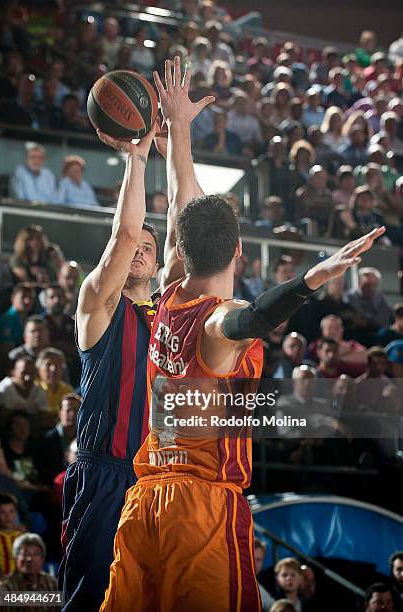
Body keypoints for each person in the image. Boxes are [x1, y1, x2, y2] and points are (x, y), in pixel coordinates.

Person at [101, 55, 385, 612]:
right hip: (200, 510)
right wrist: (309, 279)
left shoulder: (170, 291)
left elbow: (188, 206)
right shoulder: (215, 318)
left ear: (180, 250)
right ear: (238, 251)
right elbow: (249, 319)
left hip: (145, 504)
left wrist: (178, 132)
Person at [59, 71, 211, 610]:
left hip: (166, 482)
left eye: (153, 244)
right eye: (135, 244)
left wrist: (182, 135)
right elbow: (127, 233)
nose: (143, 246)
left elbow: (184, 224)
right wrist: (138, 154)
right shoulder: (98, 306)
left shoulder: (170, 310)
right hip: (107, 477)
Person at [0, 533, 57, 611]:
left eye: (35, 554)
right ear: (16, 558)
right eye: (25, 554)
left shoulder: (52, 584)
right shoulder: (5, 587)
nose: (29, 559)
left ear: (42, 558)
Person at [38, 393, 80, 485]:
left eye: (76, 410)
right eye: (68, 410)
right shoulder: (48, 440)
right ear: (60, 412)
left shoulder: (85, 439)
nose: (72, 414)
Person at [35, 348, 73, 414]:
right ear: (39, 368)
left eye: (57, 365)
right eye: (48, 364)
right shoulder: (33, 388)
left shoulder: (67, 390)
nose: (53, 369)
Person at [0, 493, 24, 580]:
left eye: (11, 511)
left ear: (16, 513)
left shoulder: (21, 536)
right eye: (2, 512)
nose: (8, 516)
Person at [254, 539, 276, 611]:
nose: (253, 563)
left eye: (258, 560)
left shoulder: (257, 587)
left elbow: (274, 607)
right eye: (250, 558)